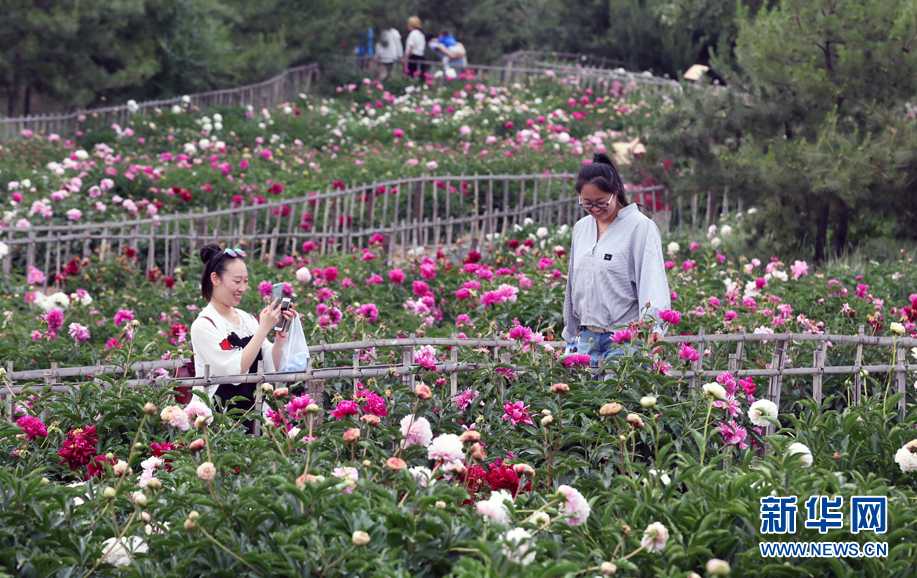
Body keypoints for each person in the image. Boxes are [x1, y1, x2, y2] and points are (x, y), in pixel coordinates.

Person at [562, 152, 671, 366]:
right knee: (584, 399)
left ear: (616, 192)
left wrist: (656, 327)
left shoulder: (640, 227)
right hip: (586, 338)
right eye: (587, 203)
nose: (594, 209)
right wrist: (571, 330)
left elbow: (652, 281)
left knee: (617, 398)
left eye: (601, 202)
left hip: (625, 340)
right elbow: (572, 284)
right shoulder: (581, 228)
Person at [189, 244, 297, 433]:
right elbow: (233, 372)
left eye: (245, 281)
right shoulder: (204, 325)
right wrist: (263, 328)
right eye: (237, 281)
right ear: (215, 278)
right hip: (220, 420)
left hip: (253, 414)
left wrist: (280, 334)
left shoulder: (246, 318)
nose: (242, 288)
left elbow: (272, 367)